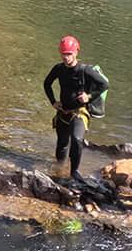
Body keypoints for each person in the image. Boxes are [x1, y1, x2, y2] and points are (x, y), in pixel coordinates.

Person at [43, 36, 109, 182]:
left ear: (76, 53)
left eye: (69, 54)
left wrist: (89, 96)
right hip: (63, 112)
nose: (66, 57)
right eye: (64, 54)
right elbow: (47, 84)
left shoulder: (85, 70)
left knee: (77, 139)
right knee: (62, 144)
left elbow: (104, 85)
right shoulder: (58, 69)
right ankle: (59, 171)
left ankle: (74, 172)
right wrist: (53, 101)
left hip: (80, 112)